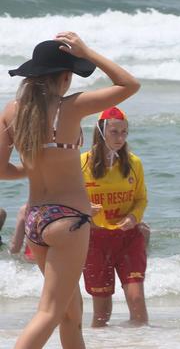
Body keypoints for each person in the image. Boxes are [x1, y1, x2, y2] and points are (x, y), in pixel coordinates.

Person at [0, 33, 140, 349]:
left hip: (36, 219)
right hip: (68, 221)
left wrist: (31, 168)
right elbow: (129, 85)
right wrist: (87, 52)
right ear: (65, 77)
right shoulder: (72, 107)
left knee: (70, 313)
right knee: (49, 312)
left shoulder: (11, 111)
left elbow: (1, 169)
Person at [80, 106, 150, 327]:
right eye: (114, 132)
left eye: (124, 132)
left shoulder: (133, 163)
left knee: (137, 298)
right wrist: (82, 208)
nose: (120, 138)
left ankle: (139, 342)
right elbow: (66, 199)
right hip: (94, 240)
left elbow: (141, 199)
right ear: (101, 132)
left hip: (128, 237)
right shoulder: (81, 163)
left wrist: (133, 217)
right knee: (102, 312)